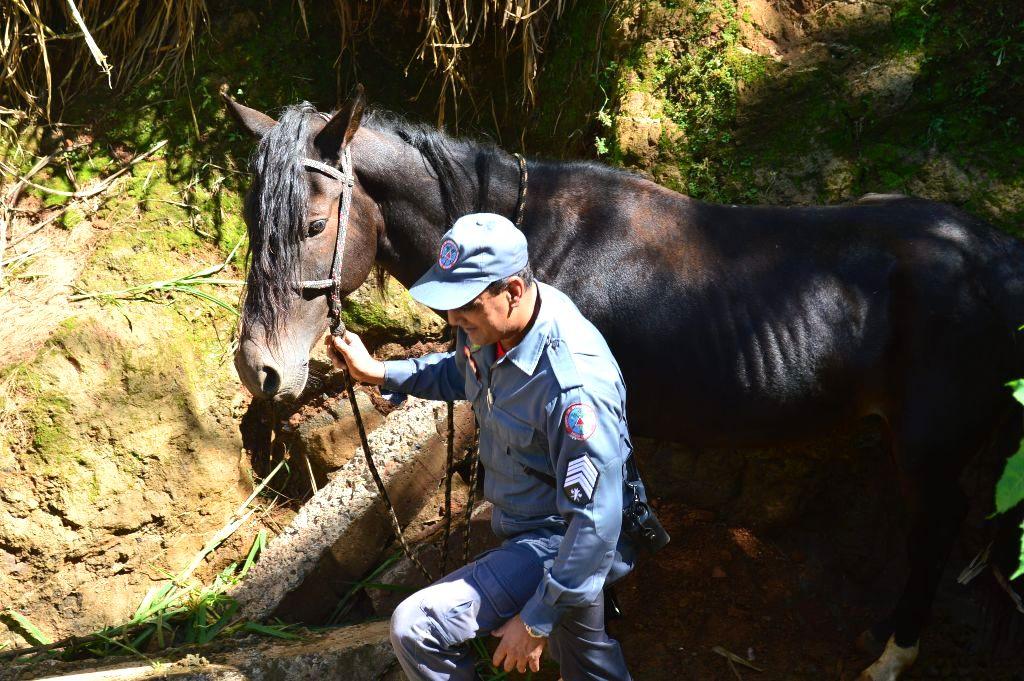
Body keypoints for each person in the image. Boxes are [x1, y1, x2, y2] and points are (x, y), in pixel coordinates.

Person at [327, 212, 652, 681]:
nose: (452, 319)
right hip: (536, 527)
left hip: (560, 538)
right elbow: (462, 370)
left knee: (417, 627)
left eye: (465, 305)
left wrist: (536, 619)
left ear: (513, 291)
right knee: (585, 657)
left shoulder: (573, 387)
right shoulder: (503, 327)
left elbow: (596, 521)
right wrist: (379, 372)